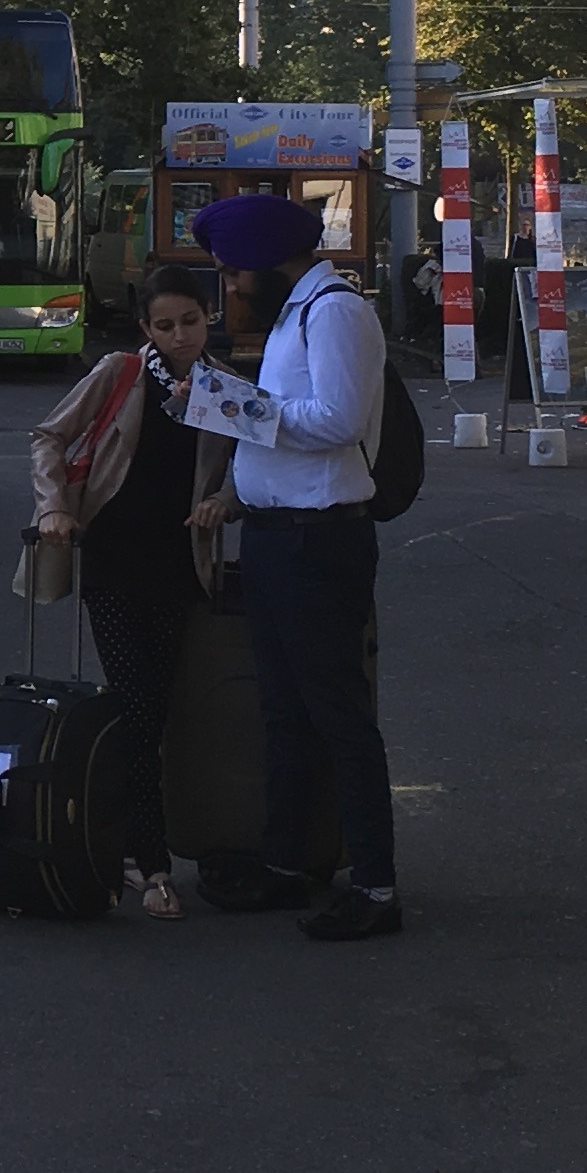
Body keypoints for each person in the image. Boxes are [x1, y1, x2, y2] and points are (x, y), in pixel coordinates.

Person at [188, 191, 404, 943]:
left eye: (235, 273)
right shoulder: (292, 311)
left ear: (272, 260)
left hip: (321, 541)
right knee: (283, 712)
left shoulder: (335, 311)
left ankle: (375, 884)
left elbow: (340, 421)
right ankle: (287, 862)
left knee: (337, 714)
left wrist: (237, 409)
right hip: (278, 536)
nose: (230, 287)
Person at [26, 265, 232, 920]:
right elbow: (48, 437)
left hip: (180, 568)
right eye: (165, 326)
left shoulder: (226, 389)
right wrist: (54, 506)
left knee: (158, 712)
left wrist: (225, 502)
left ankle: (127, 841)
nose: (180, 338)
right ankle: (150, 865)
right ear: (145, 328)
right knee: (139, 709)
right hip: (112, 563)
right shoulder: (121, 374)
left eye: (191, 323)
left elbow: (256, 466)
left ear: (210, 318)